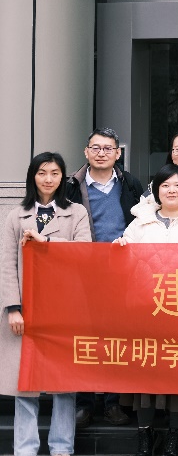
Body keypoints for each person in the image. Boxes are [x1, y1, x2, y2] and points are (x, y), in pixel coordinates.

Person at [2, 153, 91, 456]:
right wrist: (13, 307)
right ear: (33, 176)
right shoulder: (16, 215)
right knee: (25, 384)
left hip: (64, 309)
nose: (48, 179)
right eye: (42, 172)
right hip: (27, 309)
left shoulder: (76, 212)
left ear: (62, 177)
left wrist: (48, 243)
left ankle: (61, 448)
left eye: (55, 173)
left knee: (64, 384)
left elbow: (85, 252)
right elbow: (7, 265)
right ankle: (25, 449)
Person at [115, 164, 178, 456]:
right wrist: (119, 248)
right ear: (156, 190)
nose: (171, 190)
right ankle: (145, 433)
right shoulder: (140, 223)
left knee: (177, 370)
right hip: (145, 309)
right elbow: (123, 262)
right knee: (146, 370)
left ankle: (175, 434)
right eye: (165, 185)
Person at [65, 127, 144, 427]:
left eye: (108, 148)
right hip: (83, 272)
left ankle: (113, 402)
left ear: (118, 153)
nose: (101, 153)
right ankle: (84, 403)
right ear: (86, 152)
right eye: (96, 148)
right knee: (84, 336)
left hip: (121, 272)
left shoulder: (130, 184)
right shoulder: (71, 186)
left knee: (115, 336)